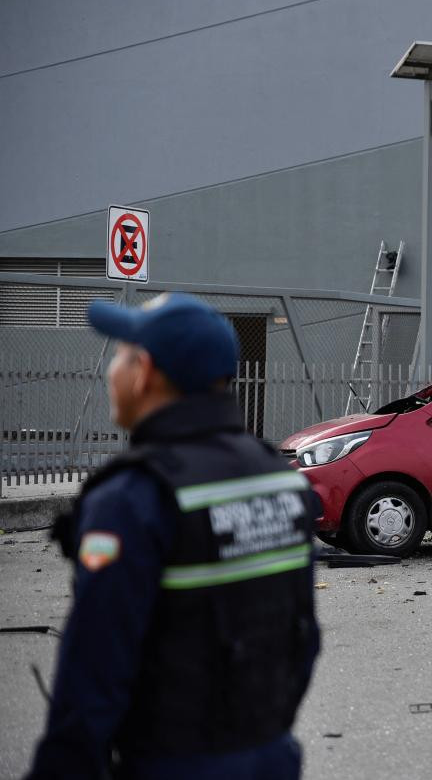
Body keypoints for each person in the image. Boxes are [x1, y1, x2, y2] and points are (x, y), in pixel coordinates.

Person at [28, 293, 320, 780]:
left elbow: (94, 674)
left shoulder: (131, 498)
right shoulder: (281, 479)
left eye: (119, 356)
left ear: (143, 372)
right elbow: (302, 637)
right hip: (271, 754)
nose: (111, 372)